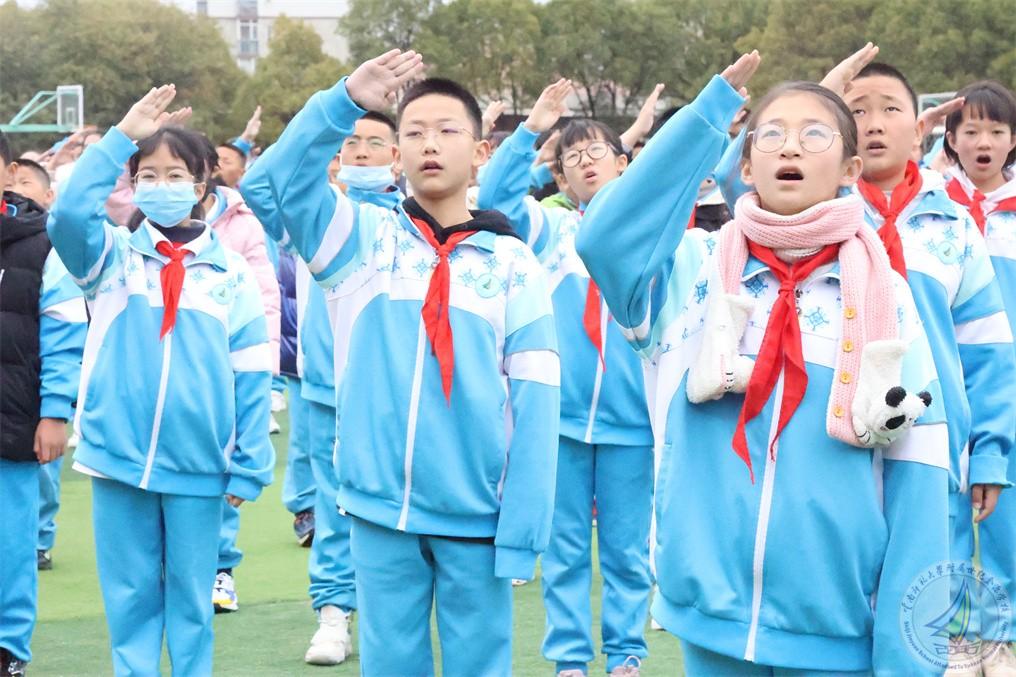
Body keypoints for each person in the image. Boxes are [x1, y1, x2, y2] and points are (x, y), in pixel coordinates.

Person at [578, 51, 952, 674]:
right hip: (710, 619)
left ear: (851, 168)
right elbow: (604, 239)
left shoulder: (884, 297)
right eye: (771, 135)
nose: (791, 147)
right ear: (745, 164)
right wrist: (707, 117)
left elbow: (919, 474)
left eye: (815, 135)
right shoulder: (691, 276)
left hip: (838, 629)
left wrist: (907, 661)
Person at [240, 49, 560, 676]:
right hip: (378, 507)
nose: (429, 144)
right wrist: (343, 102)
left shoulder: (512, 263)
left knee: (480, 664)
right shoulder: (360, 239)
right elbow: (274, 181)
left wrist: (523, 528)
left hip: (478, 514)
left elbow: (537, 398)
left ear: (481, 151)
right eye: (413, 133)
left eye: (447, 131)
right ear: (396, 155)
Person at [46, 85, 274, 676]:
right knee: (130, 599)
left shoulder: (232, 274)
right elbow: (67, 215)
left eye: (176, 175)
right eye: (148, 174)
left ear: (201, 186)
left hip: (200, 462)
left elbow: (252, 370)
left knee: (192, 601)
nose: (162, 184)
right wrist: (121, 137)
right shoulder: (111, 258)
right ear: (132, 183)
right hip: (117, 455)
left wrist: (249, 459)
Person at [479, 79, 654, 677]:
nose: (584, 162)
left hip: (633, 423)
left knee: (628, 550)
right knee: (566, 550)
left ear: (624, 164)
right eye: (571, 158)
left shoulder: (652, 233)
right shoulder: (548, 234)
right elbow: (494, 196)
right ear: (559, 179)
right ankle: (571, 659)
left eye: (596, 151)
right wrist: (531, 130)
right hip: (562, 421)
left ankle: (626, 654)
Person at [245, 107, 402, 667]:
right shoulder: (315, 215)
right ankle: (335, 612)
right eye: (351, 142)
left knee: (393, 509)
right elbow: (259, 185)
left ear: (397, 155)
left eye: (375, 142)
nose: (361, 151)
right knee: (334, 506)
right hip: (327, 387)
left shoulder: (414, 219)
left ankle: (388, 615)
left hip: (397, 391)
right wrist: (335, 109)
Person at [0, 131, 87, 677]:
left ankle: (8, 648)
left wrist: (55, 411)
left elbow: (64, 335)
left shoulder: (41, 245)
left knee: (10, 546)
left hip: (11, 425)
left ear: (10, 172)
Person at [942, 80, 1016, 672]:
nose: (983, 141)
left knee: (1003, 512)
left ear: (1012, 140)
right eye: (971, 130)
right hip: (941, 381)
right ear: (951, 139)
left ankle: (1000, 635)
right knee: (945, 508)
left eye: (996, 130)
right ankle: (956, 636)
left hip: (1005, 386)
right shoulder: (932, 207)